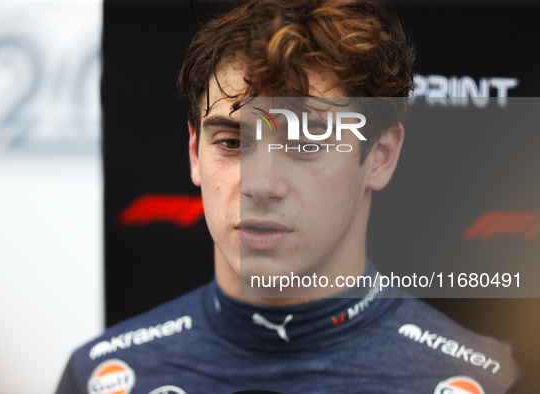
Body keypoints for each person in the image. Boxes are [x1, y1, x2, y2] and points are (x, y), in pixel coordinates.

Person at [56, 1, 534, 393]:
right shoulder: (104, 375)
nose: (262, 185)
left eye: (307, 143)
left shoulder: (484, 383)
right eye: (231, 142)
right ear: (195, 154)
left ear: (381, 157)